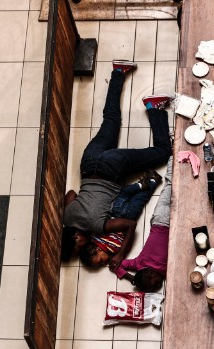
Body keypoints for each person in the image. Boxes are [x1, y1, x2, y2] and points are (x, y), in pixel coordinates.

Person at [62, 59, 174, 269]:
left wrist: (121, 254)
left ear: (76, 238)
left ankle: (154, 107)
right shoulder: (67, 216)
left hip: (113, 168)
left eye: (78, 248)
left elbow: (130, 225)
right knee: (111, 119)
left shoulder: (97, 226)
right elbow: (70, 194)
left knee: (163, 152)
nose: (83, 248)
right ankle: (118, 71)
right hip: (89, 162)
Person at [109, 155, 173, 292]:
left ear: (150, 274)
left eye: (155, 284)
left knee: (171, 187)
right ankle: (173, 159)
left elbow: (114, 266)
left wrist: (131, 278)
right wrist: (131, 278)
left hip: (161, 221)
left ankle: (173, 157)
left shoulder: (141, 265)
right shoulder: (141, 266)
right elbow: (117, 267)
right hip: (168, 225)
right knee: (173, 189)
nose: (158, 286)